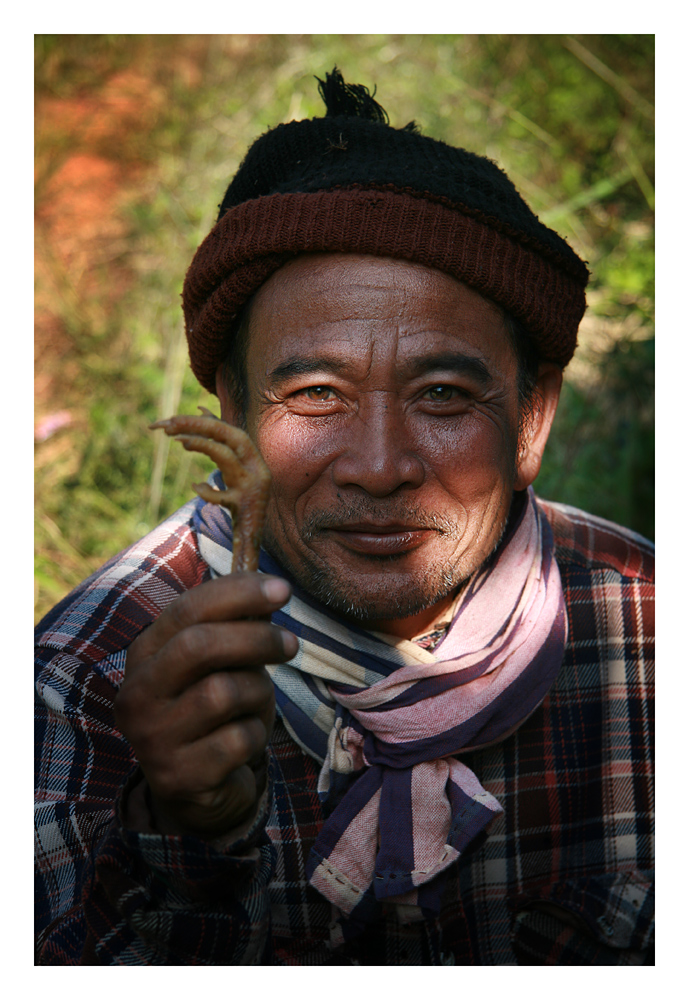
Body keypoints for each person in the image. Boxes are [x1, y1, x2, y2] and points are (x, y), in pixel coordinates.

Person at [34, 69, 654, 965]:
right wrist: (180, 829)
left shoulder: (648, 628)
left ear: (528, 421)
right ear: (231, 416)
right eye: (316, 394)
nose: (378, 467)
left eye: (442, 395)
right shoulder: (76, 692)